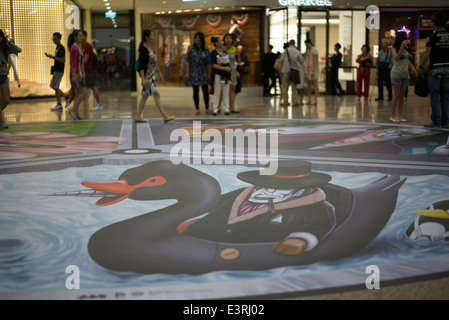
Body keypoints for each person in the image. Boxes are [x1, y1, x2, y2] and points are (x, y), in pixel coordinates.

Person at [136, 29, 174, 123]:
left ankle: (138, 116)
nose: (153, 37)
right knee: (156, 95)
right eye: (152, 35)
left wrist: (159, 72)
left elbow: (153, 63)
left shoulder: (150, 47)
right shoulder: (143, 49)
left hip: (151, 76)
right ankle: (165, 116)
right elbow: (141, 65)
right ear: (147, 37)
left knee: (145, 96)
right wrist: (143, 79)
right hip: (147, 78)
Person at [419, 11, 449, 128]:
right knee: (446, 97)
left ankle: (436, 121)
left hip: (435, 69)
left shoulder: (431, 37)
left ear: (434, 23)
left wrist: (420, 65)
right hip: (448, 69)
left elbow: (426, 55)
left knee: (435, 97)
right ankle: (445, 121)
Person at [390, 32, 416, 123]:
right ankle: (392, 115)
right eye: (406, 38)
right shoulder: (393, 48)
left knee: (402, 96)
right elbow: (396, 58)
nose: (407, 39)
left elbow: (406, 59)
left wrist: (412, 67)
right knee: (396, 95)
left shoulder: (406, 48)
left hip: (405, 74)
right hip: (396, 73)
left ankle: (400, 114)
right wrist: (401, 47)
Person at [0, 29, 22, 129]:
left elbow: (18, 50)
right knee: (0, 100)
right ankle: (2, 120)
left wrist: (9, 42)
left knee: (6, 100)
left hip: (3, 76)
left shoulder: (5, 48)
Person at [185, 31, 210, 115]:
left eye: (199, 38)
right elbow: (187, 61)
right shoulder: (191, 48)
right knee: (195, 91)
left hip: (203, 71)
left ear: (202, 39)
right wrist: (187, 72)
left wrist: (209, 73)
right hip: (194, 71)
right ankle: (197, 108)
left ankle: (207, 108)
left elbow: (208, 62)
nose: (197, 40)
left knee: (205, 91)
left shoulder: (206, 49)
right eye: (196, 38)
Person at [46, 32, 68, 112]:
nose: (54, 41)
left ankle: (59, 103)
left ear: (59, 39)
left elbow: (63, 60)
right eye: (53, 39)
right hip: (56, 69)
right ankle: (66, 97)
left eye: (55, 39)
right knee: (53, 86)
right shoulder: (57, 48)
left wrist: (53, 57)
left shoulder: (61, 48)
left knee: (55, 86)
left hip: (59, 70)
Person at [82, 31, 102, 112]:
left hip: (88, 69)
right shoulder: (83, 46)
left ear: (85, 36)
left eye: (82, 36)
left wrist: (79, 66)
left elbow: (86, 59)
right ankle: (97, 104)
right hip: (86, 69)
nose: (80, 38)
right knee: (89, 87)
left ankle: (99, 104)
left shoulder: (87, 46)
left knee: (93, 87)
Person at [69, 29, 87, 120]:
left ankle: (76, 113)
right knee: (84, 92)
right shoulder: (75, 48)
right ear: (75, 37)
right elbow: (73, 63)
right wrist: (74, 75)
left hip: (78, 73)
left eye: (82, 36)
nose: (81, 37)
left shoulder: (77, 47)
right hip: (77, 73)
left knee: (78, 94)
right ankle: (73, 110)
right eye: (79, 36)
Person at [210, 37, 231, 115]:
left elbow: (228, 62)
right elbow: (213, 65)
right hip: (217, 74)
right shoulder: (213, 53)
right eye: (221, 41)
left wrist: (228, 69)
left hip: (226, 75)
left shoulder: (225, 52)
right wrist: (223, 68)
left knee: (226, 92)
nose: (222, 42)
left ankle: (226, 108)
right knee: (217, 92)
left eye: (222, 41)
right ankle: (215, 108)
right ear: (216, 43)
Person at [279, 39, 303, 106]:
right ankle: (294, 102)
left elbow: (281, 61)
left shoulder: (285, 51)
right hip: (294, 71)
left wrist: (280, 70)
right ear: (294, 44)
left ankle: (285, 102)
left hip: (286, 70)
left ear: (289, 44)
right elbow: (301, 61)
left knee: (285, 87)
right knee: (294, 87)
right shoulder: (297, 52)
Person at [223, 33, 241, 113]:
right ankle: (225, 107)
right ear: (224, 40)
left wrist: (238, 54)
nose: (228, 40)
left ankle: (232, 106)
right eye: (226, 38)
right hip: (223, 71)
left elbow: (238, 61)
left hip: (233, 71)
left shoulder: (234, 49)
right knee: (224, 90)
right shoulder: (222, 49)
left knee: (232, 90)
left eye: (230, 38)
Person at [304, 39, 319, 105]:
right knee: (309, 85)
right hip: (308, 69)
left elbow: (315, 60)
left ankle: (315, 100)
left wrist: (313, 70)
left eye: (306, 44)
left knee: (315, 84)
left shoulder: (314, 50)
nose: (306, 45)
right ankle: (309, 99)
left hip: (313, 69)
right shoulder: (307, 50)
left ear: (309, 43)